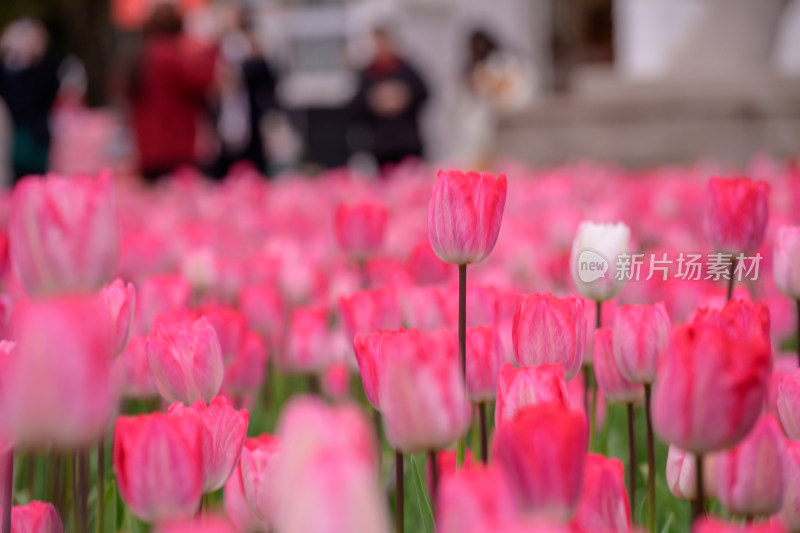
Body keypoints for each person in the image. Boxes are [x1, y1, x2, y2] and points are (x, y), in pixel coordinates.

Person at [127, 4, 216, 182]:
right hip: (174, 145)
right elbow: (199, 83)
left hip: (148, 145)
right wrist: (213, 52)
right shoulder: (171, 54)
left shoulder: (142, 52)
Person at [211, 3, 279, 178]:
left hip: (249, 117)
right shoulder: (215, 46)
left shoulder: (252, 45)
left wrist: (248, 65)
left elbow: (268, 79)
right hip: (224, 118)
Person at [350, 27, 429, 170]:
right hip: (382, 145)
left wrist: (404, 95)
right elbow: (354, 107)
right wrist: (374, 101)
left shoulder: (406, 69)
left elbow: (425, 93)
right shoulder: (368, 73)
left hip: (408, 142)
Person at [0, 17, 62, 183]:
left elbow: (35, 98)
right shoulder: (7, 68)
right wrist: (13, 60)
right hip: (10, 135)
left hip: (35, 137)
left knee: (36, 181)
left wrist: (27, 62)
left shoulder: (46, 67)